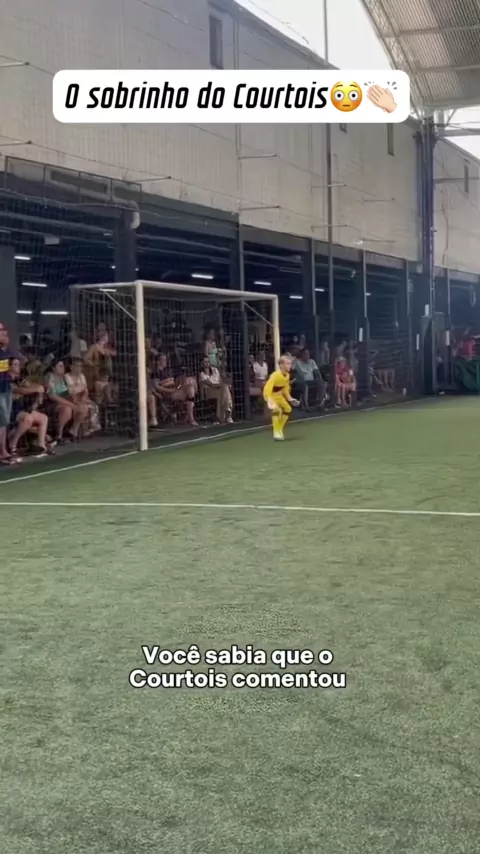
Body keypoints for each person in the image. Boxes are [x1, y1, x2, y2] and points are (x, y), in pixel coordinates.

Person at [263, 355, 300, 441]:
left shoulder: (287, 376)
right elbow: (267, 388)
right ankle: (276, 432)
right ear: (281, 365)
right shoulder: (275, 375)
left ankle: (279, 429)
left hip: (279, 396)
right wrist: (269, 399)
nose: (289, 366)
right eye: (287, 364)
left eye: (290, 364)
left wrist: (290, 398)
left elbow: (285, 388)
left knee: (288, 409)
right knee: (276, 410)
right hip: (271, 395)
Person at [0, 322, 16, 464]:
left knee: (4, 422)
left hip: (5, 390)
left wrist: (10, 375)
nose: (4, 332)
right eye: (0, 330)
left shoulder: (5, 351)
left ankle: (3, 450)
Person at [199, 357, 234, 424]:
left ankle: (223, 416)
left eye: (208, 361)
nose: (207, 363)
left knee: (224, 389)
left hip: (219, 389)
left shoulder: (215, 370)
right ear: (202, 364)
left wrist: (222, 385)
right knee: (225, 388)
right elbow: (211, 384)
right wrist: (221, 385)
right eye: (205, 362)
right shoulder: (202, 374)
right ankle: (228, 415)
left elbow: (220, 380)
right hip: (209, 390)